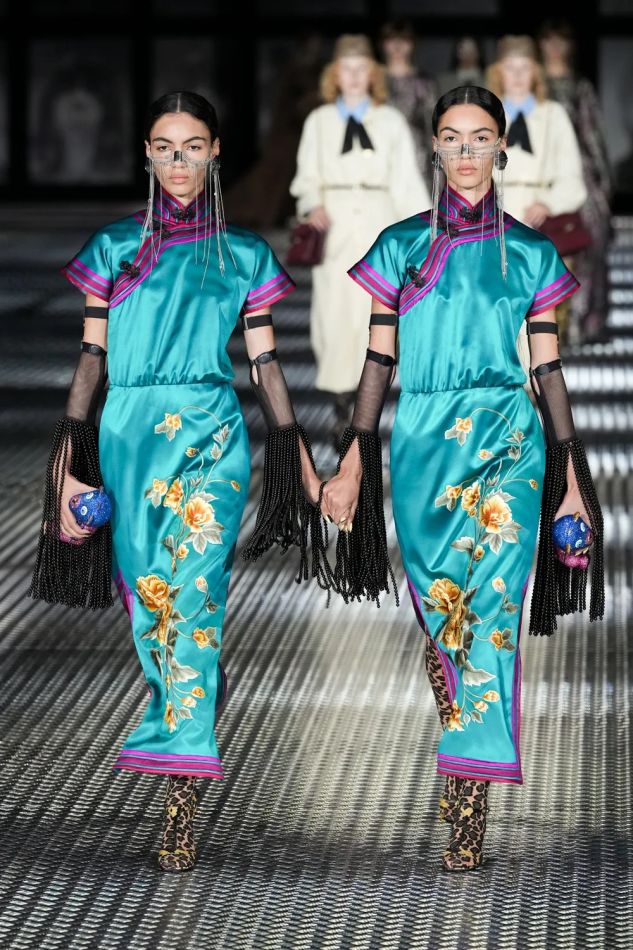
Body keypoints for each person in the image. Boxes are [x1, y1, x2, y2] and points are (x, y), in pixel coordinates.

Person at [29, 91, 325, 874]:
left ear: (215, 152)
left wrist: (296, 459)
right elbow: (91, 358)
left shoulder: (242, 256)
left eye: (193, 146)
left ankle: (181, 798)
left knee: (191, 599)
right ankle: (192, 703)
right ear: (148, 155)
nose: (178, 161)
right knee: (148, 608)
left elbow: (265, 365)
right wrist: (67, 459)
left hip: (208, 439)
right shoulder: (113, 249)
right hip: (126, 440)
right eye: (164, 147)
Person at [321, 85, 604, 871]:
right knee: (442, 619)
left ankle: (466, 796)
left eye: (481, 137)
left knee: (491, 617)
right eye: (452, 137)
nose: (466, 152)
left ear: (501, 148)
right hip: (422, 448)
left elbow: (546, 371)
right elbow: (377, 360)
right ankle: (460, 741)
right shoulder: (399, 247)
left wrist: (570, 477)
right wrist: (355, 454)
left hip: (508, 442)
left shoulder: (531, 254)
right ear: (434, 147)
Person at [289, 34, 430, 450]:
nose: (353, 76)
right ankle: (340, 409)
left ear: (373, 74)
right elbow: (306, 175)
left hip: (377, 220)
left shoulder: (390, 121)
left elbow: (406, 181)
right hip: (335, 228)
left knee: (377, 315)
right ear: (334, 74)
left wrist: (420, 232)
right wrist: (312, 203)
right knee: (333, 319)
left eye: (361, 68)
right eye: (345, 69)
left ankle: (366, 412)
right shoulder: (319, 122)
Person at [487, 34, 587, 356]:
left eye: (525, 67)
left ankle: (538, 376)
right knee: (497, 305)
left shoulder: (553, 115)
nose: (517, 75)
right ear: (498, 72)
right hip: (494, 217)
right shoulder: (485, 115)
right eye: (510, 67)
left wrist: (550, 202)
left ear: (536, 72)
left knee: (539, 307)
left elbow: (572, 175)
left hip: (540, 219)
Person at [539, 19, 612, 343]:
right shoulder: (534, 86)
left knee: (590, 244)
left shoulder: (580, 87)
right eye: (549, 40)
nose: (555, 48)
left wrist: (603, 184)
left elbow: (593, 135)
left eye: (561, 40)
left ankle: (585, 324)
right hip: (542, 174)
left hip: (580, 173)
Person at [381, 20, 437, 190]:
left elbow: (433, 125)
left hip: (418, 156)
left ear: (412, 44)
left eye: (404, 40)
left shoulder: (425, 82)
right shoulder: (374, 80)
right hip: (381, 153)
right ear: (383, 44)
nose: (398, 46)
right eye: (391, 40)